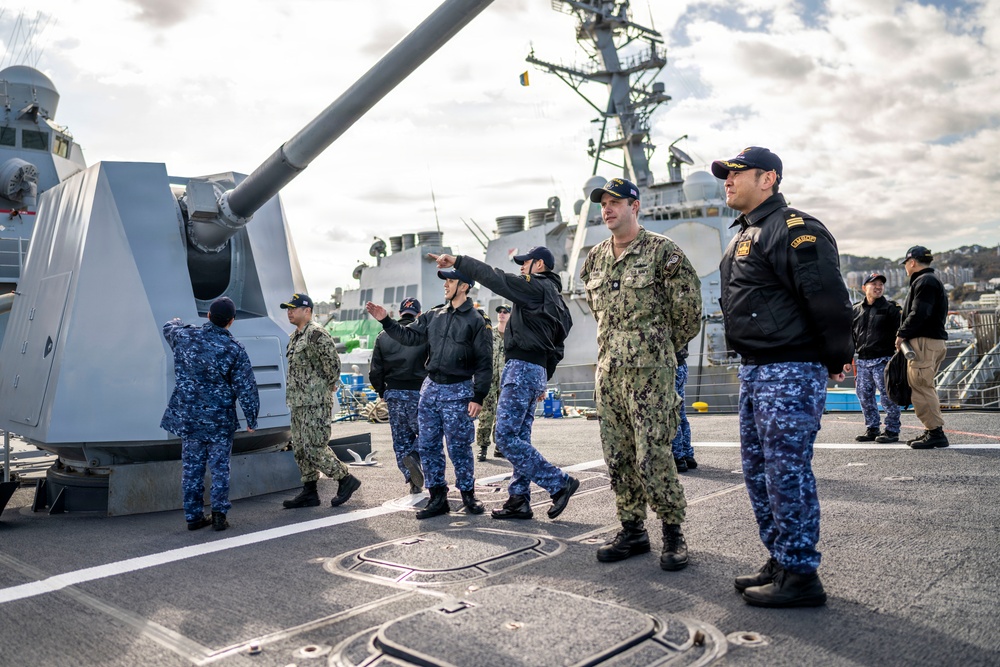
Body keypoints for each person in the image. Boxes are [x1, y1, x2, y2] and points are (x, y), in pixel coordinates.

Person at [714, 146, 853, 607]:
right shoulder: (744, 235)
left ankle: (800, 574)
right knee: (758, 472)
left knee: (786, 471)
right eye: (725, 175)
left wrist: (835, 357)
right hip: (755, 370)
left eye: (737, 174)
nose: (728, 181)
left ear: (769, 178)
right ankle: (779, 556)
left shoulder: (795, 229)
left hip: (789, 368)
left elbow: (827, 298)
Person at [580, 178, 702, 570]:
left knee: (654, 454)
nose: (607, 208)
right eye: (603, 203)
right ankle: (632, 530)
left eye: (616, 201)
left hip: (651, 374)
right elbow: (599, 312)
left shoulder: (663, 252)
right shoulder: (596, 258)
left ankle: (672, 532)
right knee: (618, 456)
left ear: (636, 206)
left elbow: (687, 316)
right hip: (609, 373)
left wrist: (656, 349)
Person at [432, 248, 580, 522]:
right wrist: (542, 376)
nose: (522, 267)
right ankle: (518, 499)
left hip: (521, 369)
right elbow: (557, 347)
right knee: (520, 438)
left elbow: (495, 278)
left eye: (525, 262)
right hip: (534, 372)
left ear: (540, 265)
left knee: (505, 437)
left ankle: (558, 483)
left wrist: (459, 261)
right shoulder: (559, 301)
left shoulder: (536, 286)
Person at [365, 269, 492, 518]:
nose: (446, 285)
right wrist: (386, 321)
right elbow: (409, 336)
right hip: (431, 388)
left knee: (459, 446)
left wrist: (479, 396)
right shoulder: (434, 315)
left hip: (459, 389)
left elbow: (484, 361)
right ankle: (437, 497)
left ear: (464, 286)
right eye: (445, 281)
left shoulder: (476, 320)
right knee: (429, 444)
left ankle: (468, 494)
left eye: (451, 281)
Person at [161, 297, 259, 532]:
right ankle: (218, 516)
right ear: (231, 322)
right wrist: (251, 419)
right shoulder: (233, 349)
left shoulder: (185, 337)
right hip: (219, 421)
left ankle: (193, 517)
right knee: (219, 469)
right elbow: (246, 388)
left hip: (190, 419)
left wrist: (177, 320)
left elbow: (168, 327)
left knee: (192, 469)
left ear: (208, 316)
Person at [280, 293, 362, 509]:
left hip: (315, 402)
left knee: (314, 447)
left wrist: (326, 385)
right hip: (298, 402)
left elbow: (333, 365)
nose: (289, 312)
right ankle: (309, 492)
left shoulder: (316, 334)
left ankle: (345, 478)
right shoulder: (295, 337)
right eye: (288, 308)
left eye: (293, 308)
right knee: (299, 448)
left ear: (307, 311)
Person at [369, 297, 428, 494]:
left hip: (393, 393)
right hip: (419, 392)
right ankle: (416, 456)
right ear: (418, 314)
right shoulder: (423, 334)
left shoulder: (382, 336)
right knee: (428, 432)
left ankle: (411, 479)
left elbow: (375, 370)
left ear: (400, 313)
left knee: (401, 438)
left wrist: (381, 391)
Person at [896, 246, 949, 449]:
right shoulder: (931, 281)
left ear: (912, 263)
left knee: (921, 386)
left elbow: (920, 312)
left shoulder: (924, 281)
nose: (906, 269)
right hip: (932, 342)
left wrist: (901, 334)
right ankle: (931, 430)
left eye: (906, 265)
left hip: (924, 343)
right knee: (925, 386)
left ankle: (936, 433)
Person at [851, 272, 902, 443]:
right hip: (863, 361)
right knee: (864, 396)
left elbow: (902, 333)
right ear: (864, 288)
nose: (878, 287)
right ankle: (872, 428)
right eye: (874, 284)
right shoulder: (856, 310)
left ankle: (892, 430)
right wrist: (846, 358)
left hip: (883, 360)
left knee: (888, 396)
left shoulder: (891, 309)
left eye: (881, 284)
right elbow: (850, 336)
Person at [476, 304, 510, 461]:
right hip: (490, 379)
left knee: (503, 415)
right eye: (499, 311)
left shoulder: (513, 335)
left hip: (506, 380)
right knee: (486, 414)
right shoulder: (490, 333)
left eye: (505, 312)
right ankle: (482, 447)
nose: (501, 314)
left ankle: (500, 446)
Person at [671, 346, 696, 472]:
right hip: (681, 365)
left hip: (670, 367)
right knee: (681, 413)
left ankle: (678, 457)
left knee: (672, 414)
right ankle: (687, 454)